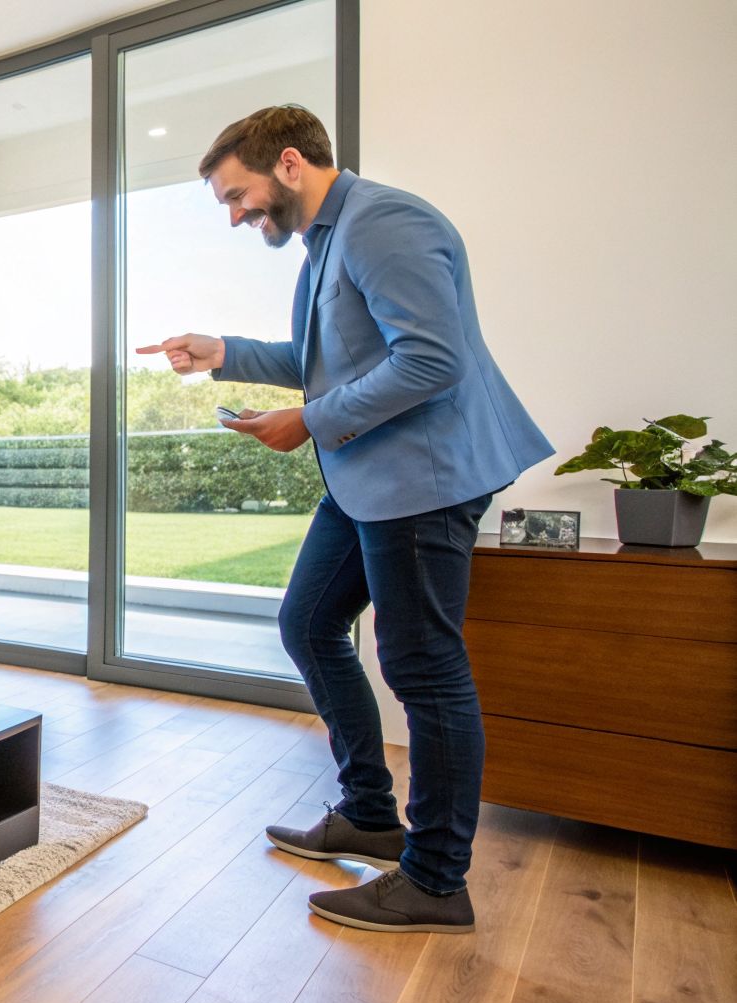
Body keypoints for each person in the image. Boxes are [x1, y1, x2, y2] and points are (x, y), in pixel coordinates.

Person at [137, 105, 551, 933]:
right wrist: (224, 352)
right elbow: (327, 360)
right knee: (308, 623)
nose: (234, 215)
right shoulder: (329, 241)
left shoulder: (383, 222)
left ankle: (436, 882)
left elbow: (433, 360)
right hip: (371, 479)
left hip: (422, 480)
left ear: (288, 164)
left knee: (425, 672)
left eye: (237, 195)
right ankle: (369, 812)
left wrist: (310, 421)